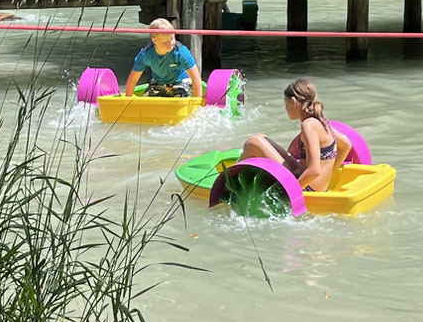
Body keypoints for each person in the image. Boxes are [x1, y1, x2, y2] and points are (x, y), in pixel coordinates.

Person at [222, 78, 350, 197]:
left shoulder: (308, 125)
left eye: (286, 103)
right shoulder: (321, 122)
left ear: (293, 102)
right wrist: (328, 175)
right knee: (261, 137)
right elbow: (346, 146)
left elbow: (315, 170)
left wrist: (292, 192)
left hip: (307, 188)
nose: (285, 108)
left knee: (253, 143)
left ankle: (228, 185)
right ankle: (234, 177)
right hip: (315, 185)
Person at [126, 19, 201, 99]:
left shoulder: (181, 52)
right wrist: (127, 99)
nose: (171, 43)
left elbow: (196, 79)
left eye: (172, 38)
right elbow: (133, 79)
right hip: (158, 83)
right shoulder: (145, 54)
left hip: (181, 82)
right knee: (147, 103)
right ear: (154, 40)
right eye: (166, 41)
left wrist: (197, 105)